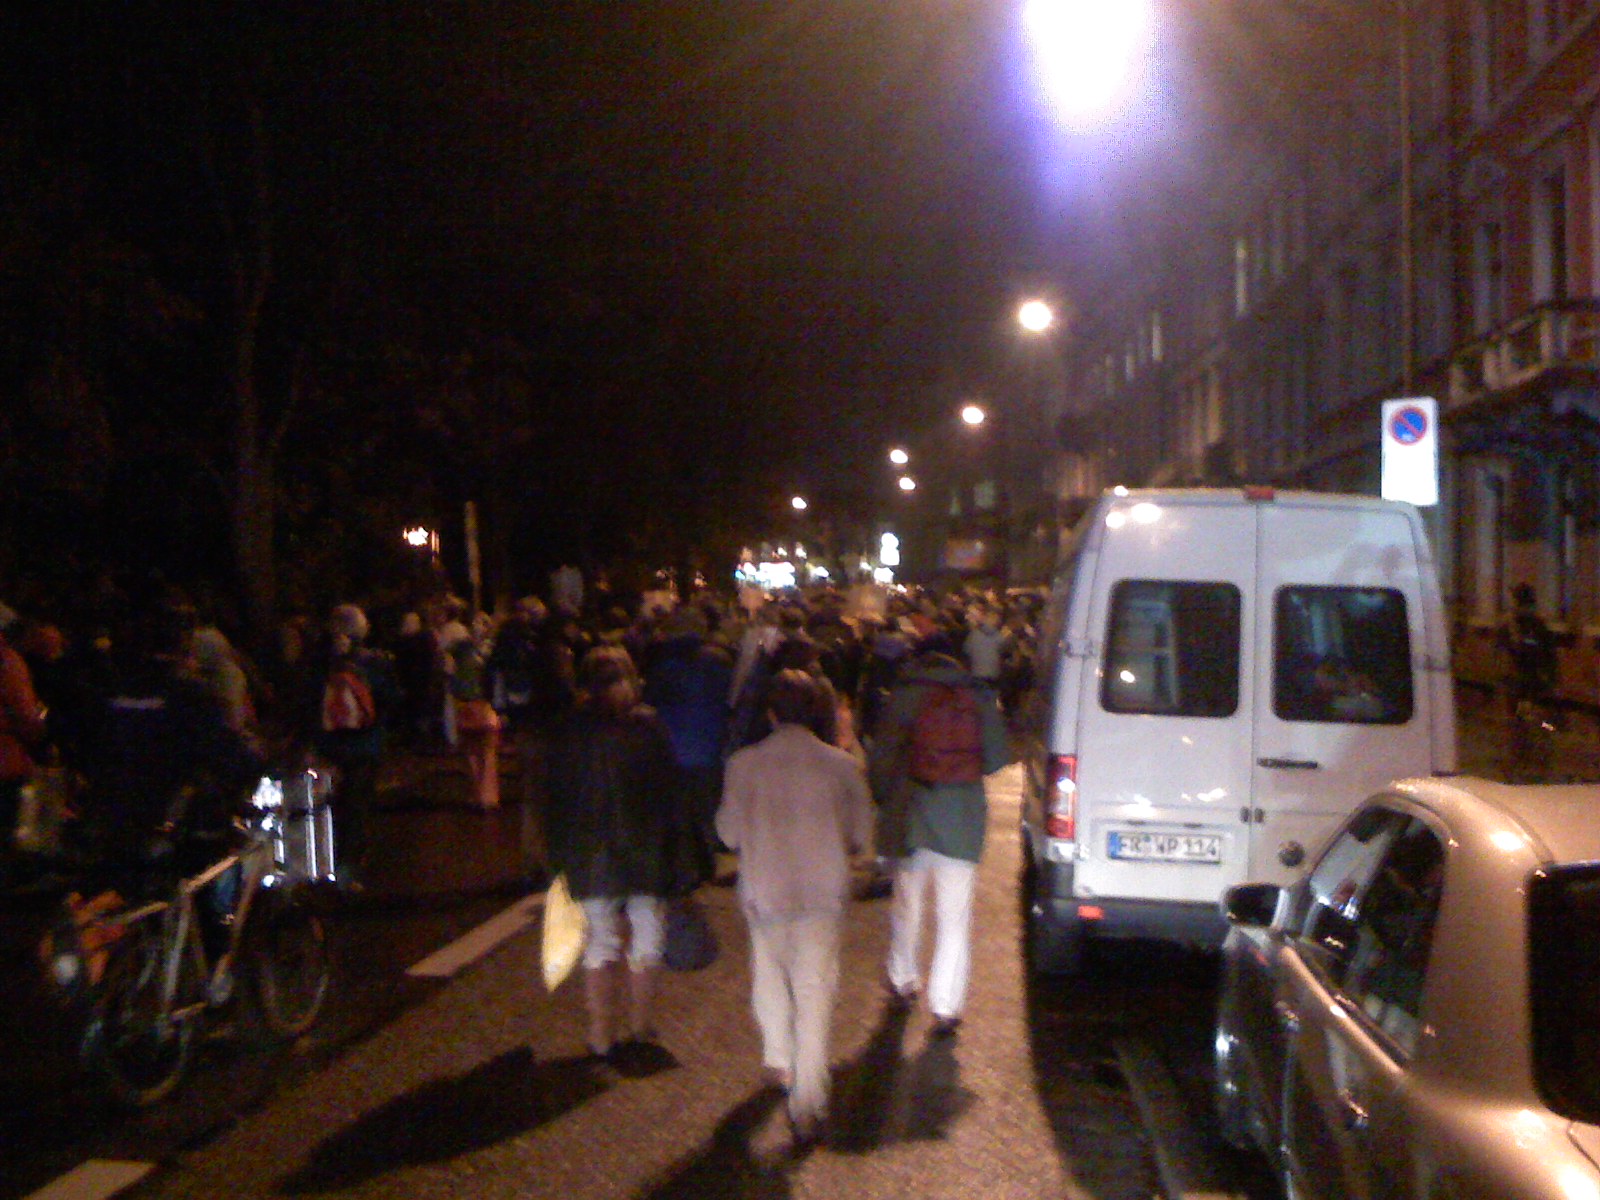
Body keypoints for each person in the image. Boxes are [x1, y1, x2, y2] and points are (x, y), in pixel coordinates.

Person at [717, 670, 873, 1148]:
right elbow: (861, 834)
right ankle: (808, 1101)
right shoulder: (840, 765)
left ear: (770, 713)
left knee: (769, 974)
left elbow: (728, 833)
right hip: (821, 892)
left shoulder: (744, 764)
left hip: (765, 889)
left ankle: (778, 1057)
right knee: (814, 992)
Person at [544, 646, 683, 1058]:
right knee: (648, 932)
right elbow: (671, 792)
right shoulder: (649, 726)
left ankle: (601, 1032)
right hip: (646, 846)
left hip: (591, 849)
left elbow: (556, 796)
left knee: (600, 939)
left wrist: (557, 854)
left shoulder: (570, 729)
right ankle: (640, 1023)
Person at [869, 638, 1011, 1037]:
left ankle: (902, 980)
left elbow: (881, 762)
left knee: (908, 904)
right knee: (954, 916)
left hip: (911, 813)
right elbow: (997, 759)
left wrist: (883, 801)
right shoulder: (977, 696)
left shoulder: (903, 695)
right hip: (962, 819)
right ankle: (946, 1005)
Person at [310, 604, 395, 887]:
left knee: (327, 807)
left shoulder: (319, 661)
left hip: (328, 746)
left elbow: (307, 700)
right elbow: (390, 697)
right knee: (356, 807)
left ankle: (322, 864)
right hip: (364, 745)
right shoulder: (373, 662)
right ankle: (348, 871)